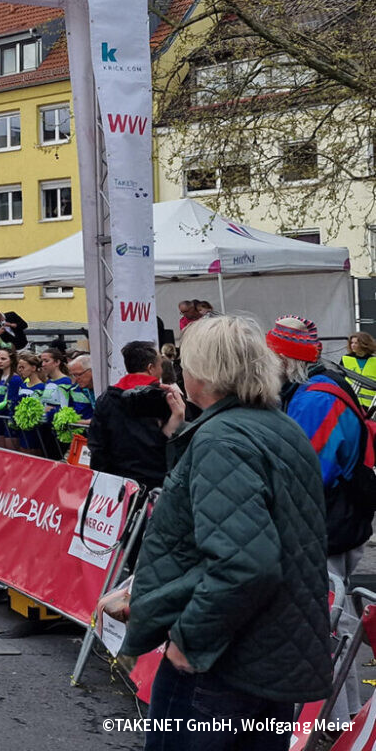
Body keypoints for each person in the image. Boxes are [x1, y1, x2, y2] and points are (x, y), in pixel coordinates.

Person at [113, 315, 331, 746]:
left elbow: (245, 563)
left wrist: (189, 640)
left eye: (185, 364)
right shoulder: (279, 426)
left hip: (224, 658)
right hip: (270, 650)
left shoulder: (223, 439)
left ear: (204, 372)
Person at [269, 315, 374, 720]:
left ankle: (337, 719)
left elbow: (306, 474)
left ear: (284, 359)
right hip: (330, 522)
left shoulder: (316, 400)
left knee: (330, 620)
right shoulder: (312, 392)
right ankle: (339, 716)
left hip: (326, 526)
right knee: (330, 619)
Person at [87, 341, 183, 490]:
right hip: (157, 484)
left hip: (118, 484)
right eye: (160, 365)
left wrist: (102, 482)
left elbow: (97, 446)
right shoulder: (166, 399)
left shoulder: (106, 399)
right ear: (150, 368)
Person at [342, 331, 376, 410]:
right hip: (351, 403)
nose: (353, 345)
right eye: (351, 343)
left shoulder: (374, 360)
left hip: (371, 405)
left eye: (356, 343)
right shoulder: (345, 359)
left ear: (364, 344)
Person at [66, 353, 95, 421]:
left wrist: (79, 422)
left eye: (79, 374)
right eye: (74, 375)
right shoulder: (74, 390)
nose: (76, 379)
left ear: (91, 370)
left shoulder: (106, 389)